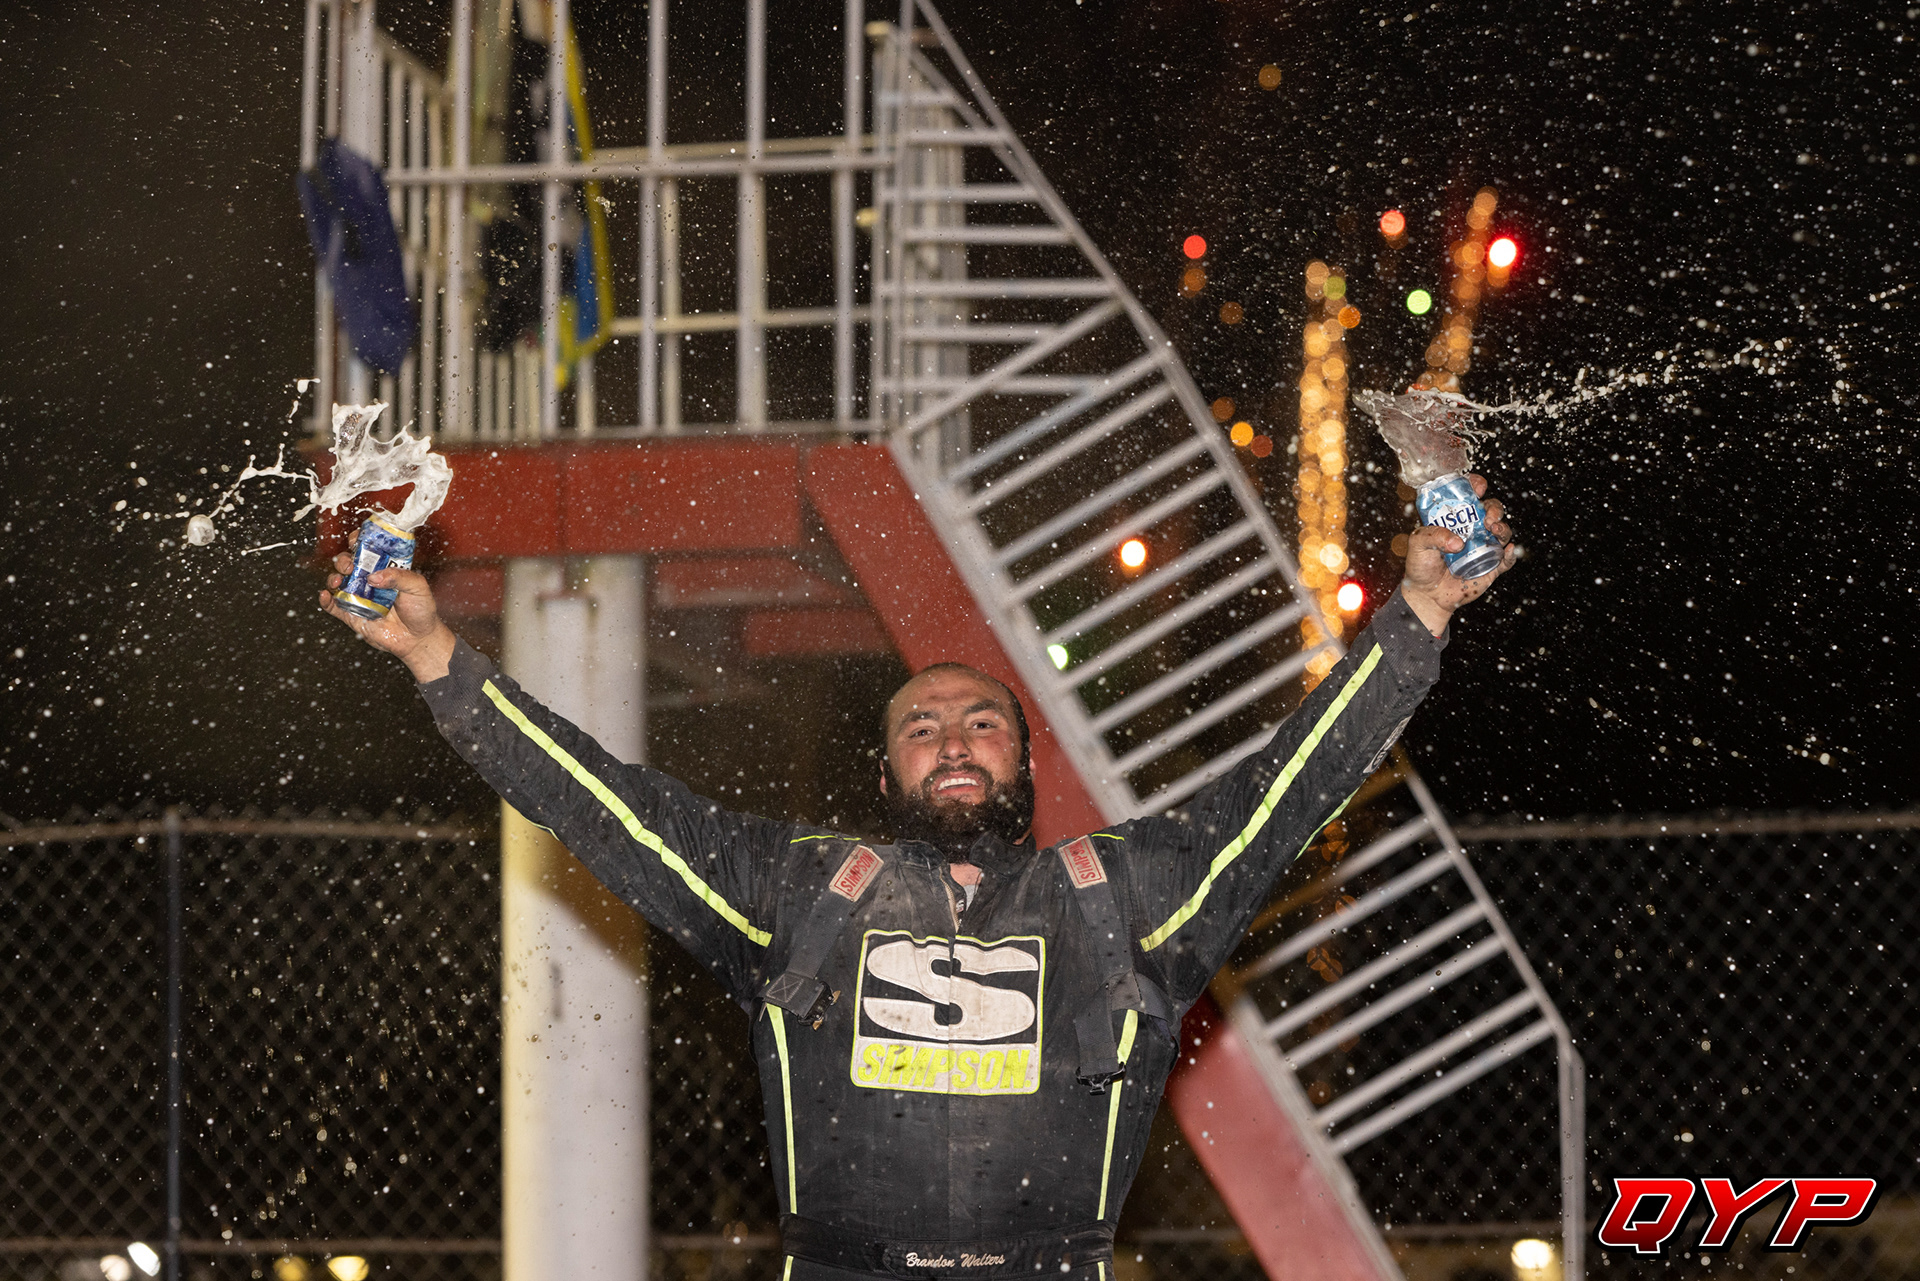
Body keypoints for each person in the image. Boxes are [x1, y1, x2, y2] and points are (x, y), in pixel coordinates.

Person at [321, 480, 1513, 1280]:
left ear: (1023, 758)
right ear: (886, 766)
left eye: (982, 722)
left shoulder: (1121, 898)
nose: (952, 738)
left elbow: (1286, 789)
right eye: (922, 723)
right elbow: (605, 806)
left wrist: (1415, 613)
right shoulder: (802, 893)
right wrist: (436, 654)